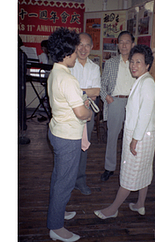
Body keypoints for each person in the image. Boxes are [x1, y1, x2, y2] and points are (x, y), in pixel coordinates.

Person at [94, 44, 155, 219]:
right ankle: (140, 204)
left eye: (138, 62)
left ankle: (113, 209)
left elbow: (144, 114)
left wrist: (135, 139)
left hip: (140, 135)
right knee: (144, 170)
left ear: (147, 65)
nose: (133, 65)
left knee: (130, 173)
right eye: (132, 61)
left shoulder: (147, 83)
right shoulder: (143, 80)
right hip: (144, 134)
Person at [46, 27, 93, 242]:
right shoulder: (68, 79)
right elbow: (82, 113)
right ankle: (56, 226)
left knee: (59, 176)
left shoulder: (55, 71)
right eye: (75, 50)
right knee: (65, 181)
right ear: (67, 53)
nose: (77, 54)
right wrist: (89, 111)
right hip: (67, 136)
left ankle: (58, 209)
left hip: (57, 131)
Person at [99, 31, 136, 182]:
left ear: (133, 44)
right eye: (121, 42)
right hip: (115, 101)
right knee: (112, 136)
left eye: (127, 42)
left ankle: (130, 168)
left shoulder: (137, 62)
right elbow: (101, 84)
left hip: (133, 103)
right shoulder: (111, 63)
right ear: (118, 45)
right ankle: (109, 167)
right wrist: (106, 97)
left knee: (132, 136)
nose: (124, 45)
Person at [70, 33, 101, 195]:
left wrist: (77, 90)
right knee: (69, 145)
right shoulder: (69, 64)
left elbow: (96, 92)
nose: (83, 49)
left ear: (91, 47)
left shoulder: (94, 68)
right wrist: (85, 92)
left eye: (87, 45)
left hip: (88, 110)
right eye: (80, 45)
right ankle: (68, 180)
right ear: (75, 46)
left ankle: (80, 180)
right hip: (70, 111)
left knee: (83, 146)